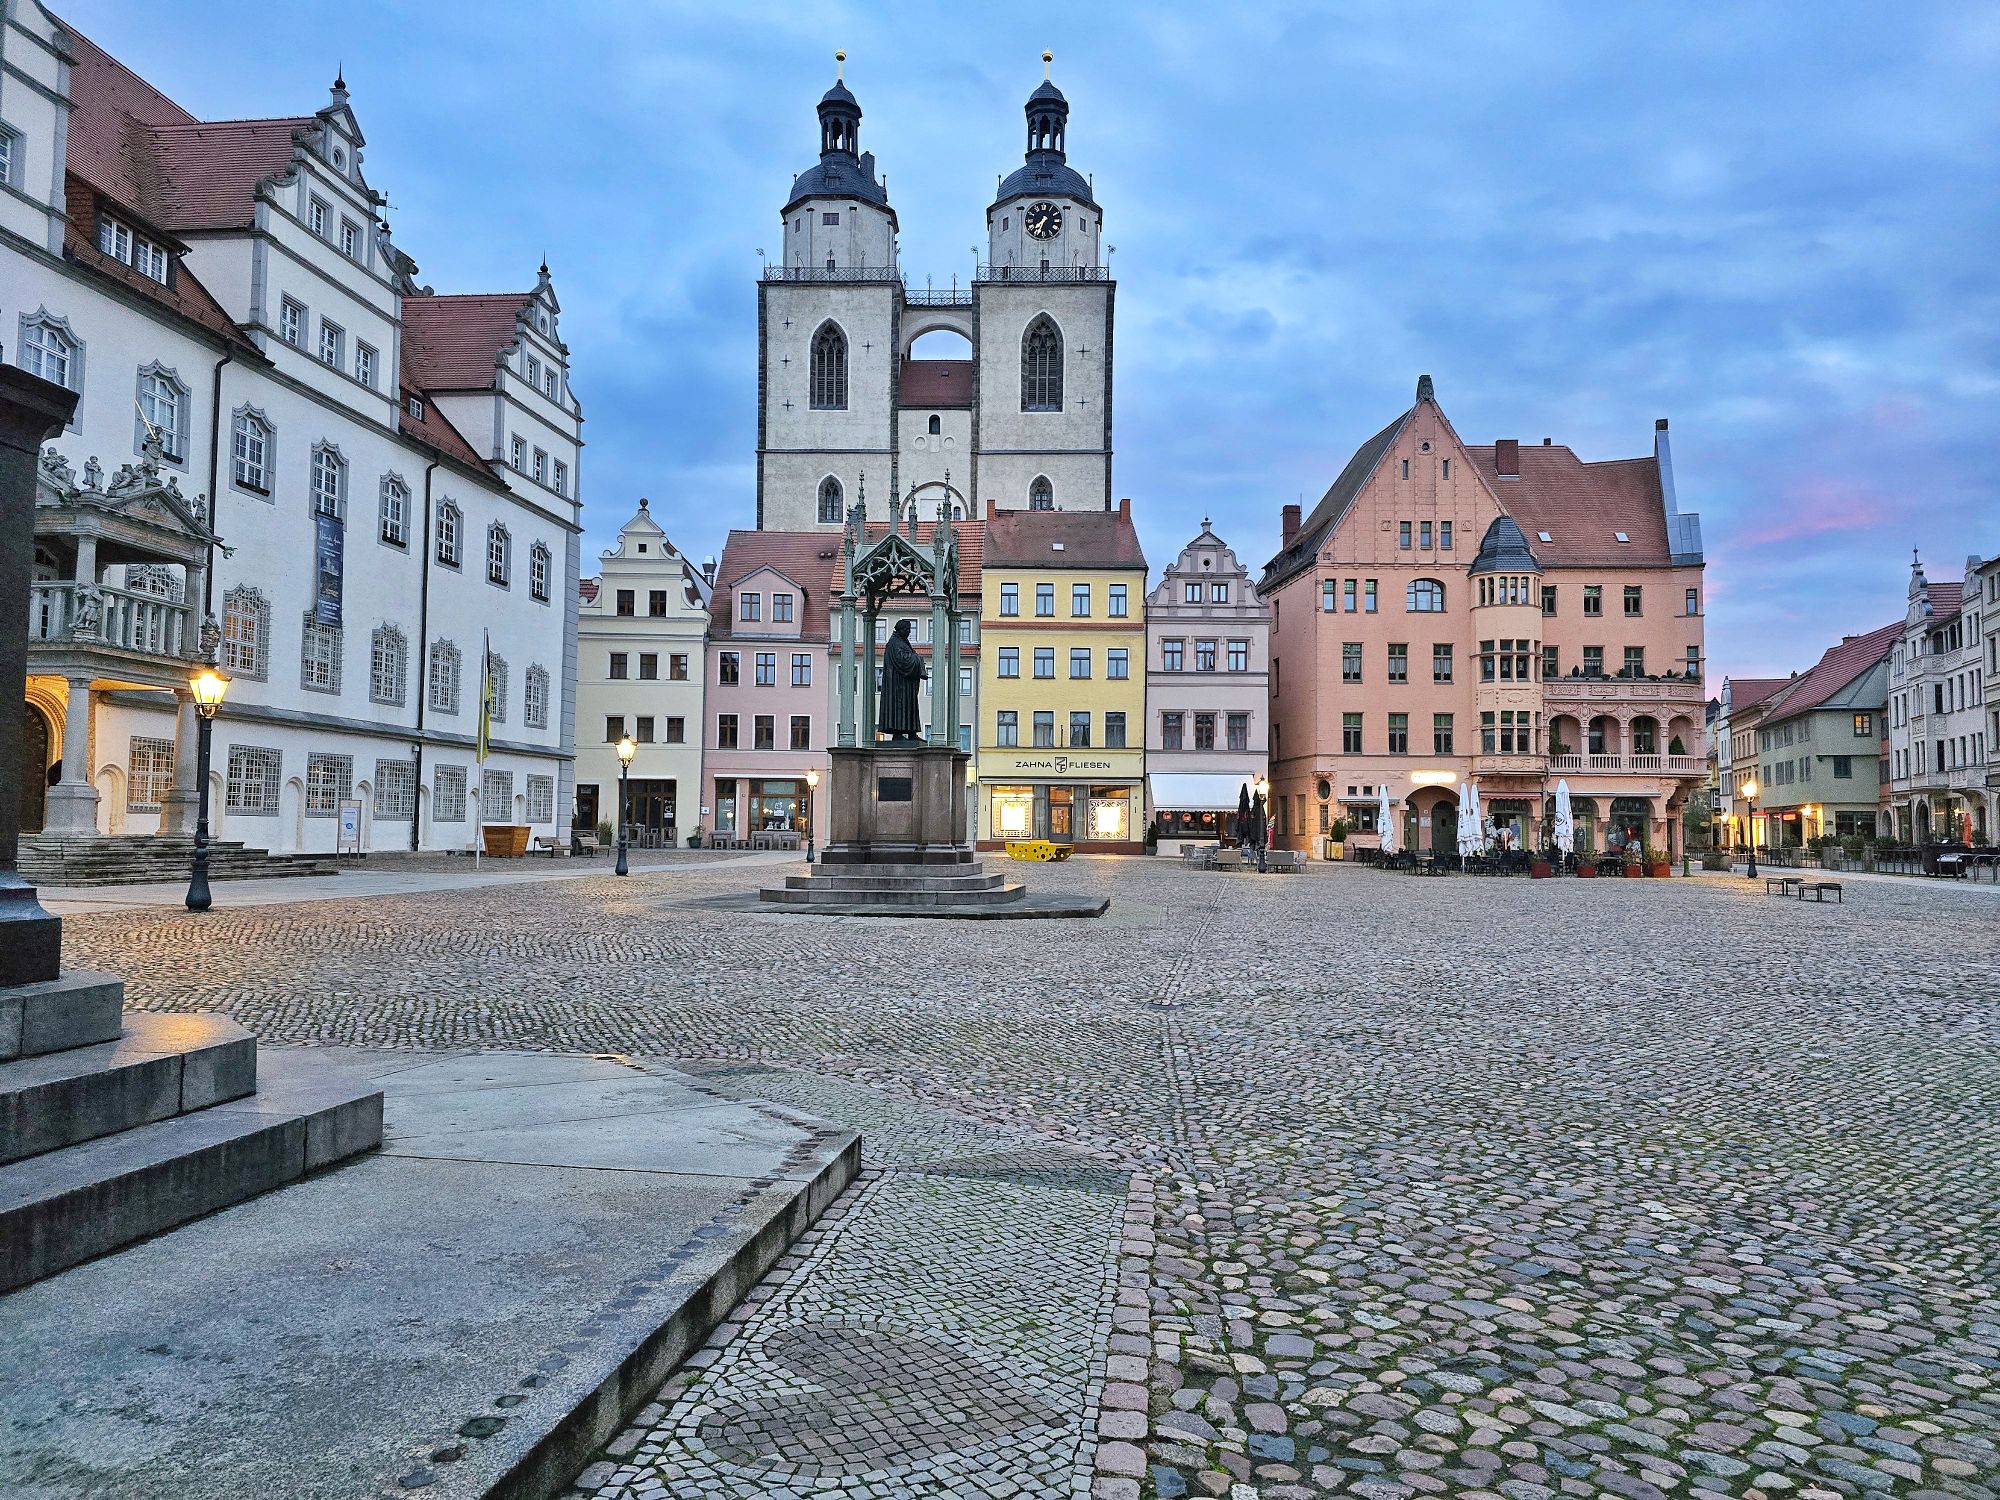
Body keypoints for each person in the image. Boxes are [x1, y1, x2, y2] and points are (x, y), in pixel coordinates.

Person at [878, 619, 927, 740]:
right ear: (899, 630)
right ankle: (898, 734)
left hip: (906, 683)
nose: (908, 632)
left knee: (909, 707)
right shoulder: (895, 642)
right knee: (900, 708)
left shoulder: (902, 641)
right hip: (898, 685)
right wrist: (917, 658)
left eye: (910, 629)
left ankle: (912, 733)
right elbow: (902, 660)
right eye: (906, 629)